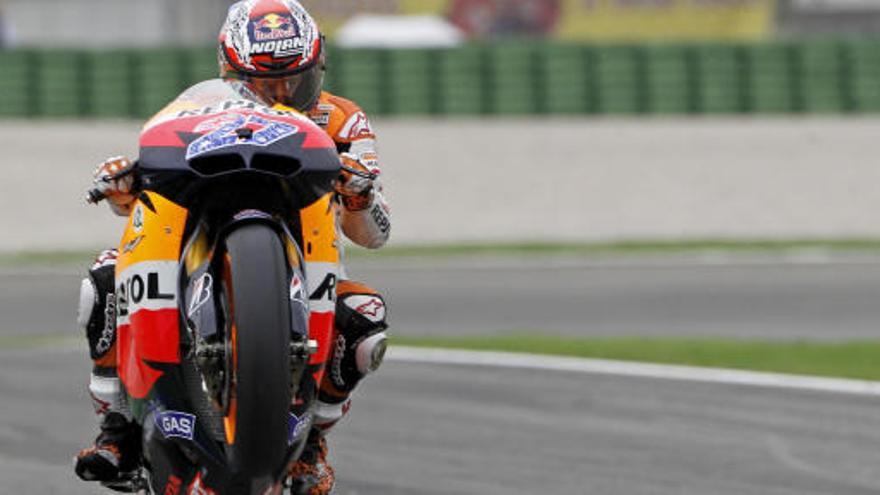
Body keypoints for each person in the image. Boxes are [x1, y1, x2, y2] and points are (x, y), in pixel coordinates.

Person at [73, 1, 392, 493]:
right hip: (201, 244)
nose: (282, 94)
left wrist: (361, 194)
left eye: (295, 81)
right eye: (267, 86)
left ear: (318, 65)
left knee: (366, 320)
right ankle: (116, 430)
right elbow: (145, 196)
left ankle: (310, 446)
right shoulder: (196, 113)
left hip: (311, 264)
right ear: (229, 71)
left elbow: (375, 233)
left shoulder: (344, 122)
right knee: (103, 280)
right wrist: (125, 183)